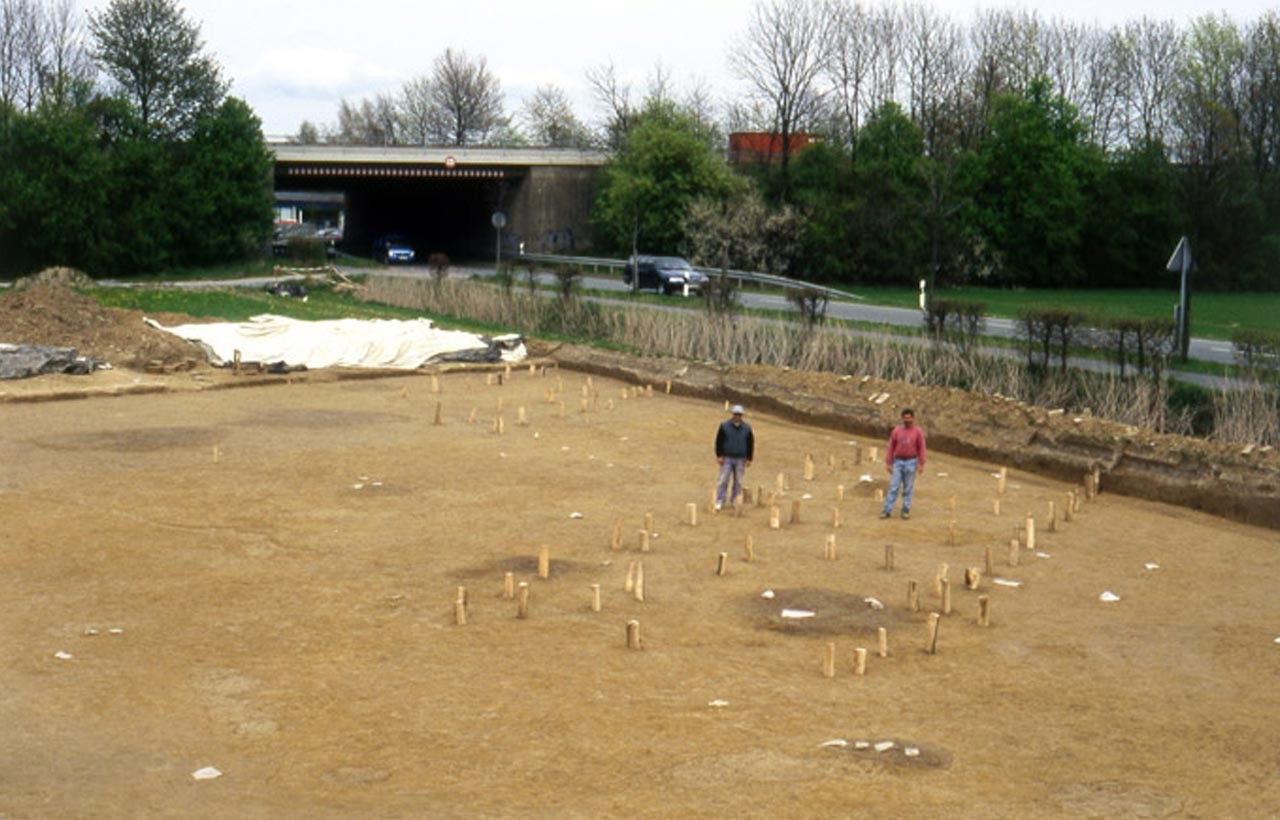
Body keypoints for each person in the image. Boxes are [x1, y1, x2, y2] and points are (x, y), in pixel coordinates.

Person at [881, 408, 926, 520]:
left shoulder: (918, 432)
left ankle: (905, 510)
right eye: (905, 418)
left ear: (913, 418)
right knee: (893, 487)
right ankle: (887, 510)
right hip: (898, 462)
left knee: (908, 488)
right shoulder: (897, 431)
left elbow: (922, 448)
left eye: (909, 418)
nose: (907, 420)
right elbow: (891, 447)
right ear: (902, 419)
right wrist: (888, 462)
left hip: (911, 462)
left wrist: (921, 463)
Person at [714, 405, 754, 510]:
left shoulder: (747, 428)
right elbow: (719, 441)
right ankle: (720, 500)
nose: (737, 416)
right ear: (732, 414)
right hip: (727, 457)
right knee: (723, 480)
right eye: (735, 414)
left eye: (739, 415)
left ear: (742, 416)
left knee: (738, 482)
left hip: (740, 459)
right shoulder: (724, 426)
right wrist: (719, 455)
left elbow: (750, 443)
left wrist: (749, 458)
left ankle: (734, 500)